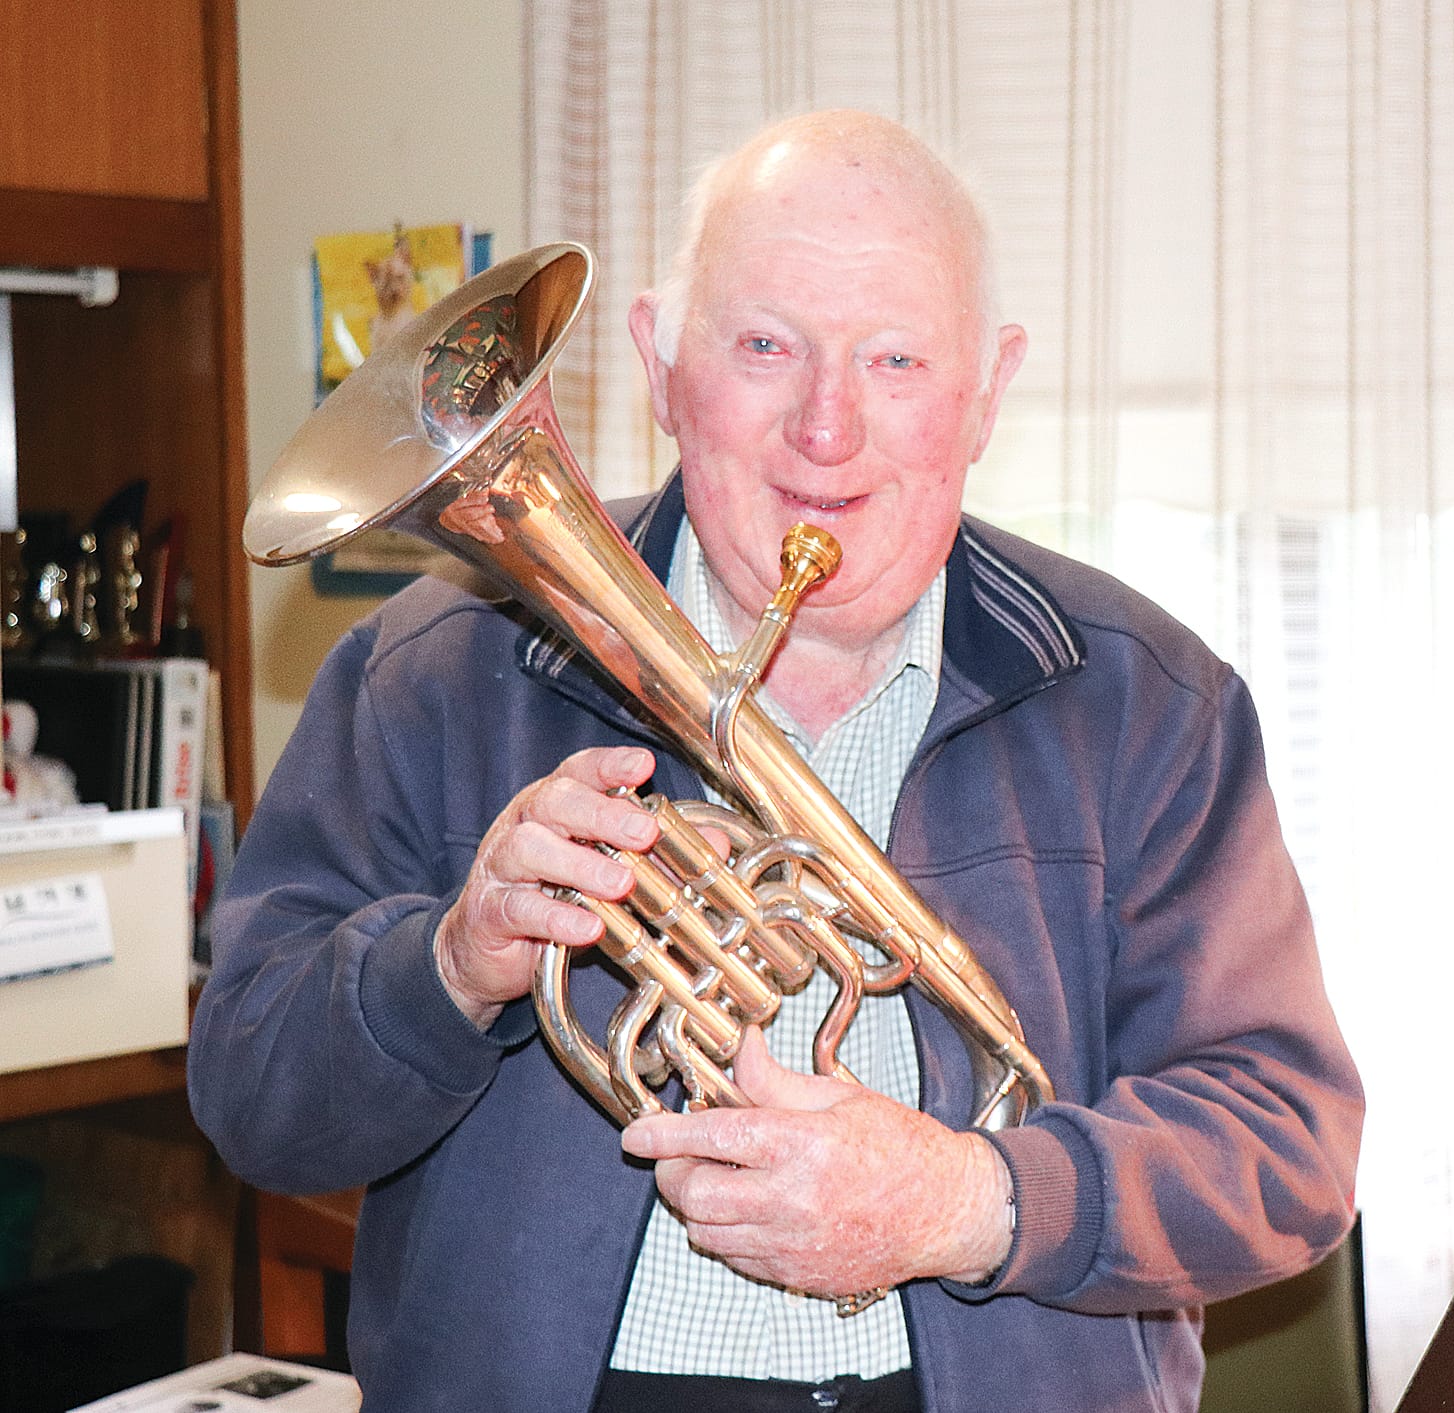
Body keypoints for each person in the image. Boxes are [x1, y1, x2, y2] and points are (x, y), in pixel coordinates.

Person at [189, 110, 1363, 1413]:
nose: (825, 427)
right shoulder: (430, 675)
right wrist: (451, 962)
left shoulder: (1147, 701)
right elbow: (251, 1096)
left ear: (986, 391)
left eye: (897, 358)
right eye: (765, 345)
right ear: (659, 359)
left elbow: (1285, 1148)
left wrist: (967, 1201)